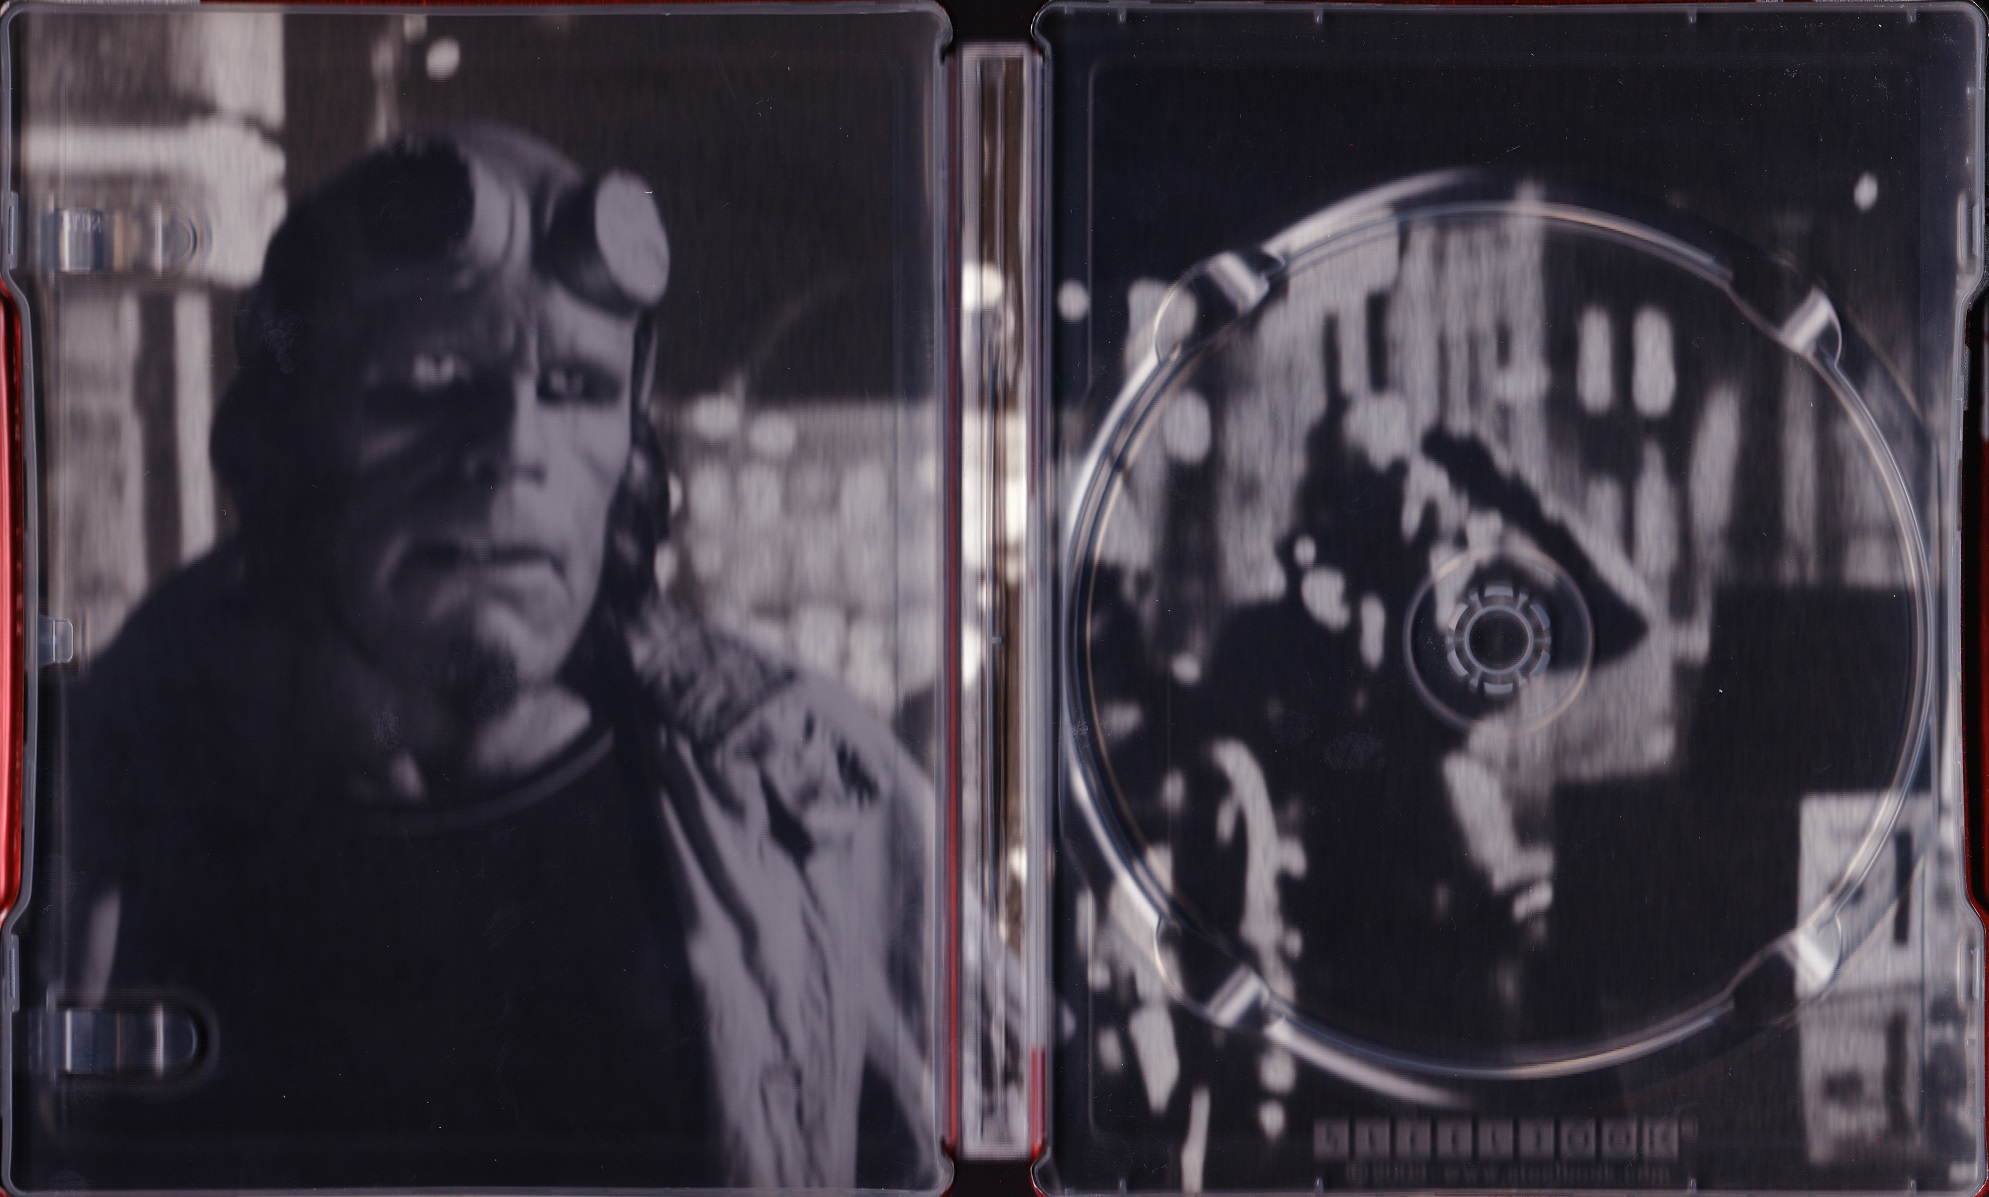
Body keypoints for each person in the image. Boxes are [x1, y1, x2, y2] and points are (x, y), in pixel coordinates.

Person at [27, 126, 934, 1191]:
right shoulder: (74, 813)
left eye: (577, 387)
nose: (512, 450)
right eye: (430, 377)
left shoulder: (810, 799)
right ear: (289, 430)